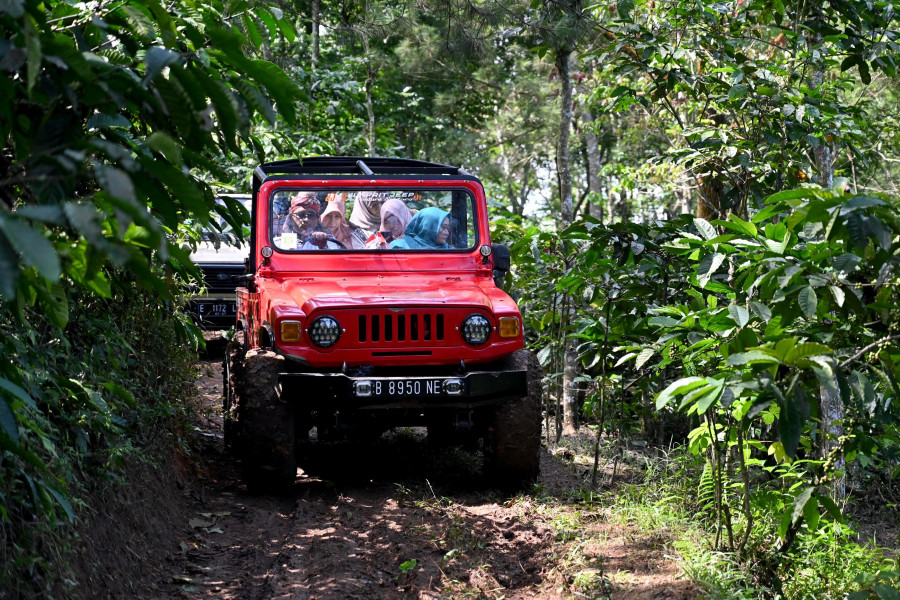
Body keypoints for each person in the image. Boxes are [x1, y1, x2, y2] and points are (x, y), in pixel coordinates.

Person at [277, 192, 342, 250]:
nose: (306, 219)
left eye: (311, 215)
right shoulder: (278, 243)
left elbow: (333, 259)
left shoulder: (327, 240)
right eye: (301, 215)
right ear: (291, 218)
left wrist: (323, 247)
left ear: (317, 219)